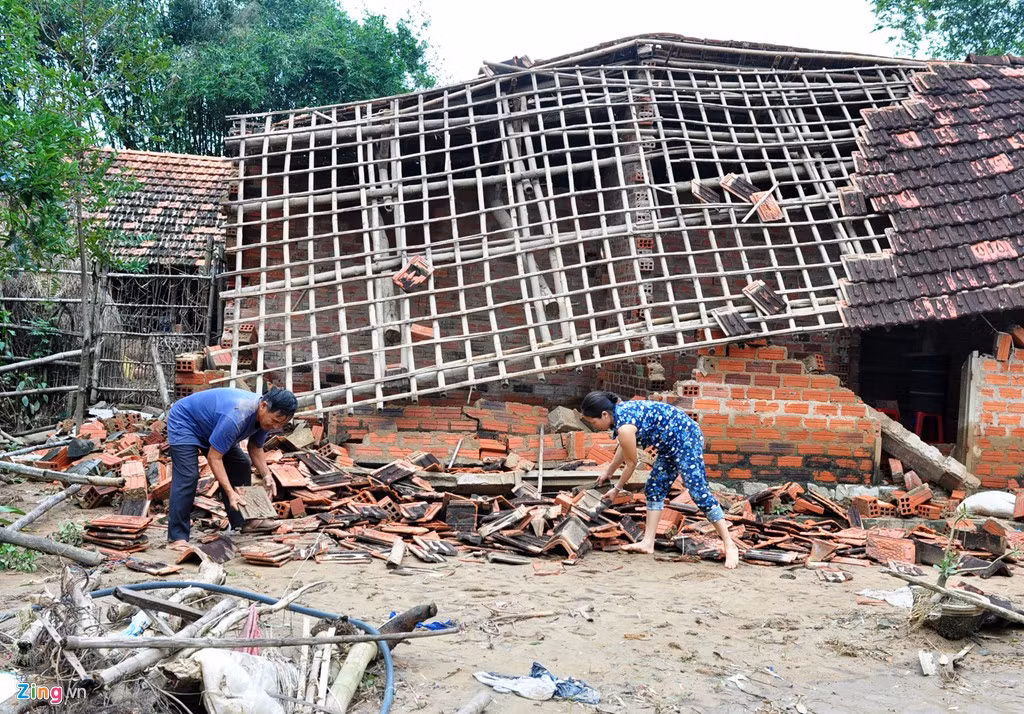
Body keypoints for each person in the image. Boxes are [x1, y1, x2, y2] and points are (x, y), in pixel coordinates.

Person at [579, 391, 739, 569]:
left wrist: (616, 489)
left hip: (686, 438)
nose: (595, 426)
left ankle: (729, 544)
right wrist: (609, 472)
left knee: (698, 493)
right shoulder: (620, 416)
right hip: (669, 444)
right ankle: (648, 543)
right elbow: (624, 447)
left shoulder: (624, 426)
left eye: (594, 422)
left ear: (604, 414)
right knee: (654, 487)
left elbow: (631, 463)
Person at [165, 386, 297, 549]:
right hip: (185, 421)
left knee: (241, 464)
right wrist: (230, 492)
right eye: (275, 420)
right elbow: (214, 458)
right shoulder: (237, 416)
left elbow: (255, 447)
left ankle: (245, 522)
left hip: (212, 425)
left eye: (280, 424)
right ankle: (177, 537)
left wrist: (266, 475)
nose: (275, 426)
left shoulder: (265, 420)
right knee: (188, 476)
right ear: (263, 406)